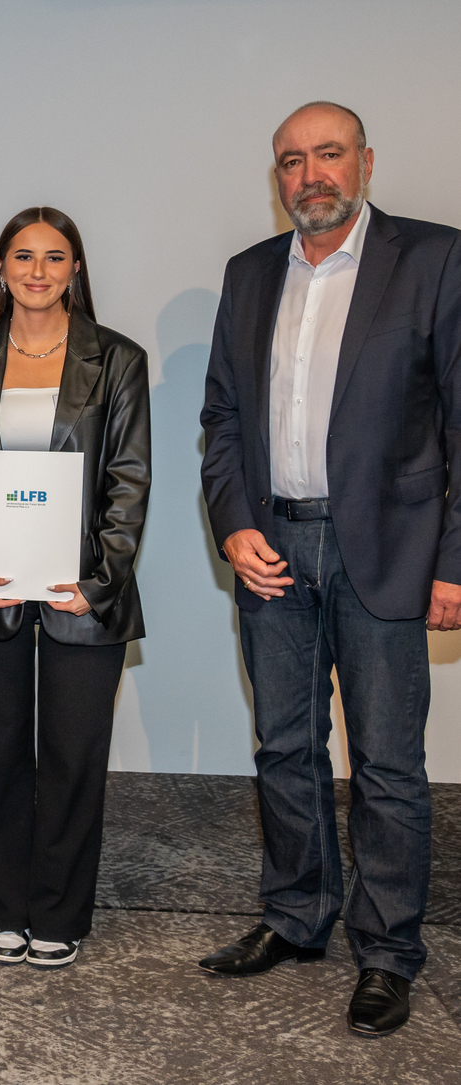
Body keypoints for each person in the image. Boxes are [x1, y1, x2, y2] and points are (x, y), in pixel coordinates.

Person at [198, 102, 461, 1037]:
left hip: (387, 549)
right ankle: (296, 914)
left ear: (365, 162)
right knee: (283, 746)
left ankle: (386, 951)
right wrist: (233, 524)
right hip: (273, 545)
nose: (309, 174)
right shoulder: (248, 273)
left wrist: (453, 562)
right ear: (275, 176)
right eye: (290, 160)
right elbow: (222, 417)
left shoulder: (432, 258)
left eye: (327, 154)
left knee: (385, 762)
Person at [0, 207, 151, 969]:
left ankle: (58, 912)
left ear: (74, 269)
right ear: (0, 267)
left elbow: (128, 479)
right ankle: (5, 907)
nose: (37, 271)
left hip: (80, 596)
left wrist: (97, 581)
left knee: (71, 760)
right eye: (22, 256)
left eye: (54, 257)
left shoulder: (116, 359)